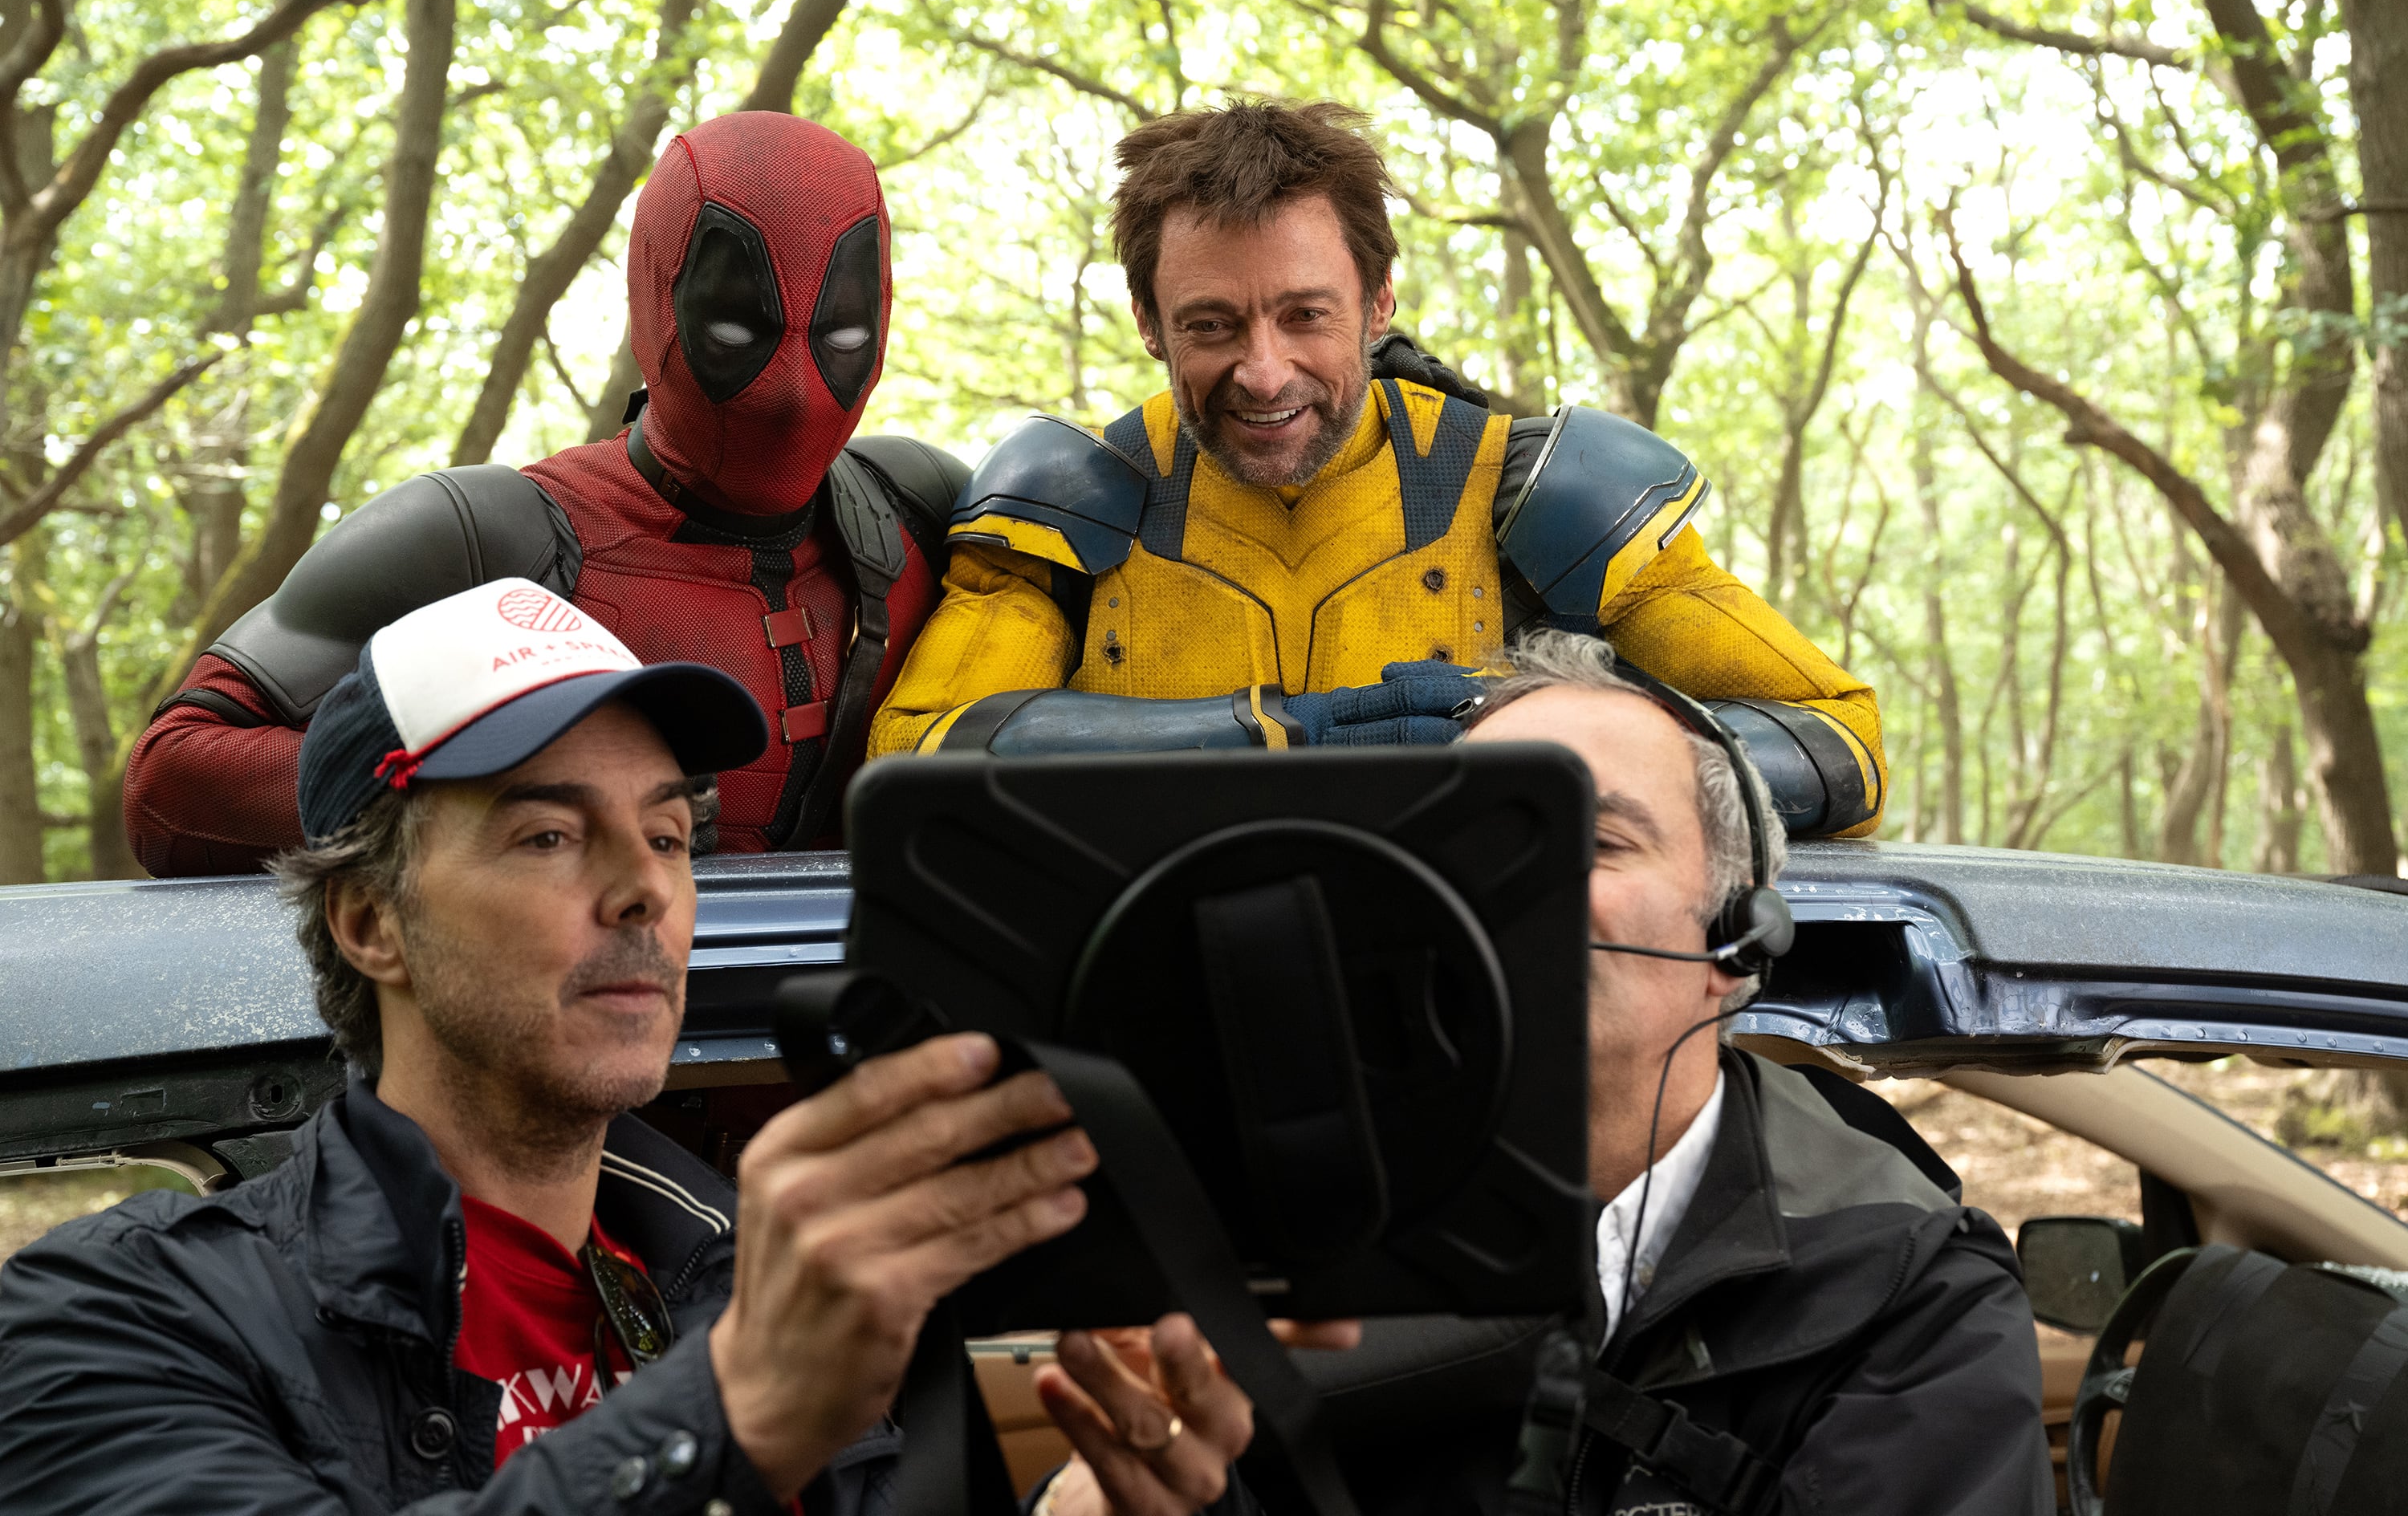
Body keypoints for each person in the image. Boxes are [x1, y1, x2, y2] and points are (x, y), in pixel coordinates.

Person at [0, 580, 1266, 1516]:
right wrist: (738, 1409)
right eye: (550, 836)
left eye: (667, 838)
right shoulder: (118, 1318)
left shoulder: (742, 1277)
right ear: (371, 920)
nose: (643, 893)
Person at [867, 100, 1884, 840]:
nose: (1264, 373)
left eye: (1305, 314)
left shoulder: (1536, 494)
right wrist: (1273, 737)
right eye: (1211, 325)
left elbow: (1840, 744)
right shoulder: (1073, 499)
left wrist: (1544, 756)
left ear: (1379, 301)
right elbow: (909, 762)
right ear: (1148, 324)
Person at [1271, 628, 2050, 1516]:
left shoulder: (1914, 1296)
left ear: (1735, 937)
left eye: (1594, 840)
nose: (1507, 884)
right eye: (1470, 840)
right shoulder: (1310, 1245)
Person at [125, 111, 967, 876]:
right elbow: (173, 777)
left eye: (841, 332)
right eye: (737, 327)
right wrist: (510, 797)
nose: (791, 391)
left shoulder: (927, 514)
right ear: (655, 291)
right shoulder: (483, 541)